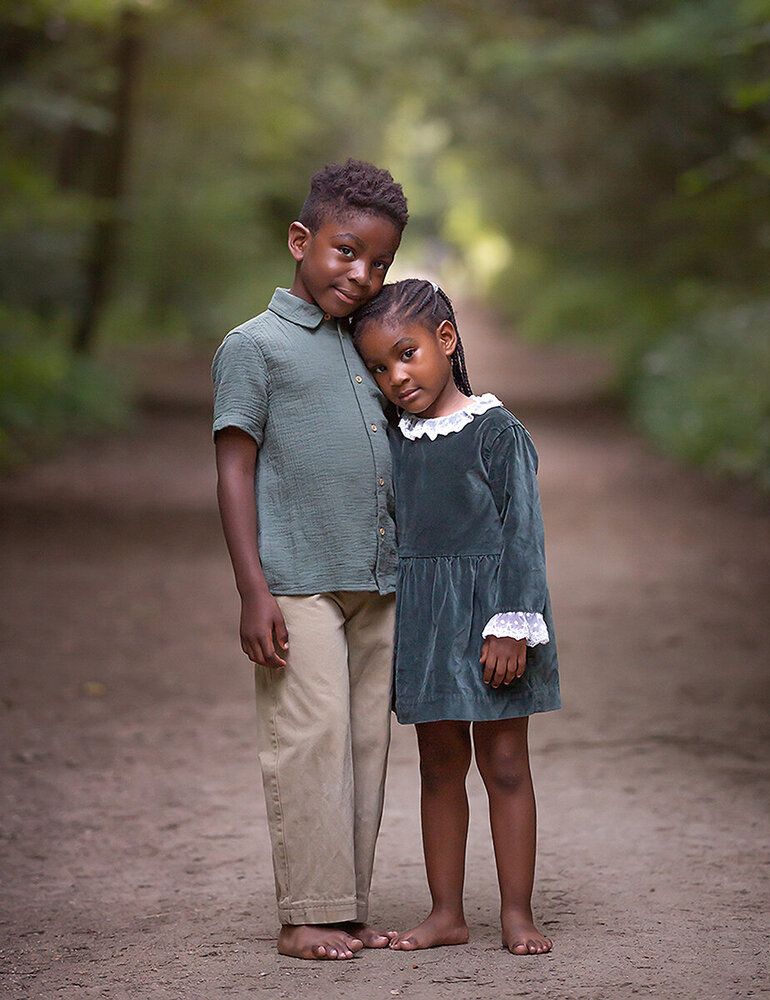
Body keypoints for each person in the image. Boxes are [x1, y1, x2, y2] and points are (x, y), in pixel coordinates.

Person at [211, 160, 408, 961]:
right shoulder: (253, 347)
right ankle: (303, 915)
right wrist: (251, 589)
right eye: (345, 251)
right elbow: (234, 468)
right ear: (301, 240)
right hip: (297, 582)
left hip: (378, 581)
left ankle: (346, 907)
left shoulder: (368, 342)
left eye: (380, 264)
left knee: (364, 746)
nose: (361, 275)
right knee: (309, 739)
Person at [351, 278, 561, 955]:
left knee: (504, 765)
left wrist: (511, 622)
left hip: (495, 619)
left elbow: (523, 533)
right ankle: (446, 912)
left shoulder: (497, 432)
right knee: (440, 767)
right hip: (427, 623)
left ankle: (517, 913)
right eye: (380, 367)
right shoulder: (396, 438)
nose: (396, 376)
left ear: (446, 340)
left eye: (407, 354)